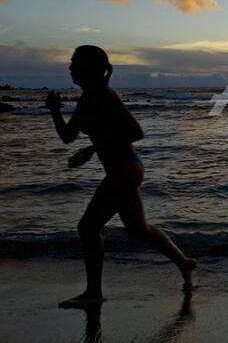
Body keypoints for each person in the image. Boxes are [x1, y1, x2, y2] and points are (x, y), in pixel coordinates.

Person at [46, 45, 196, 308]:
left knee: (87, 228)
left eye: (76, 62)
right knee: (139, 228)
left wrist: (94, 148)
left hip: (127, 168)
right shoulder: (87, 99)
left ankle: (94, 291)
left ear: (91, 68)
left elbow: (136, 133)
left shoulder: (105, 95)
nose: (70, 67)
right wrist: (55, 111)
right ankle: (184, 263)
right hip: (121, 171)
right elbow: (68, 137)